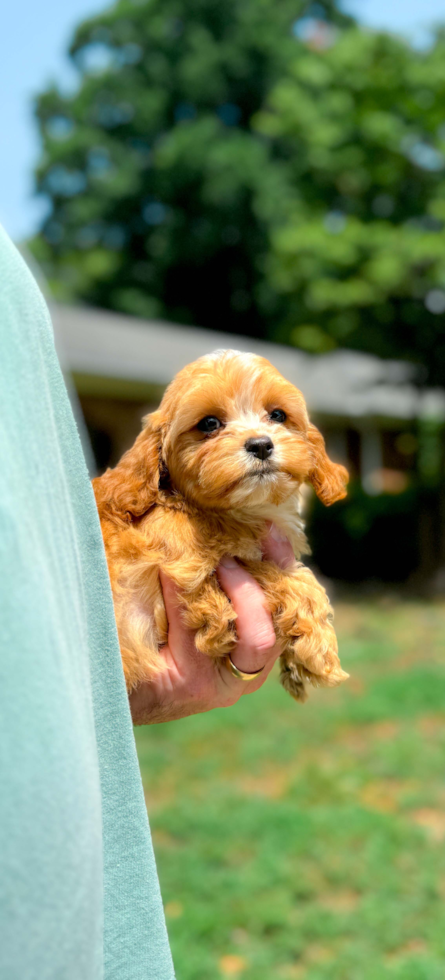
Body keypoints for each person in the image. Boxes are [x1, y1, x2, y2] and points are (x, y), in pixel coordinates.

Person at [0, 224, 293, 978]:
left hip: (80, 880)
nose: (255, 439)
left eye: (276, 419)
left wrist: (111, 689)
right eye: (210, 425)